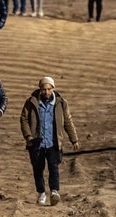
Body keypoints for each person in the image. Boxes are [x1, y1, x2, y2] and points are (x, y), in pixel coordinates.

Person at [19, 77, 79, 206]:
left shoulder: (61, 103)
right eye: (44, 89)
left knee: (54, 168)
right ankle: (41, 193)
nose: (46, 92)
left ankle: (54, 192)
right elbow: (24, 119)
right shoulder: (31, 102)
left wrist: (74, 139)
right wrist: (28, 136)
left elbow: (68, 121)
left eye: (49, 89)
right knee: (38, 169)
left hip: (54, 142)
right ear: (40, 89)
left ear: (53, 89)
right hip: (37, 143)